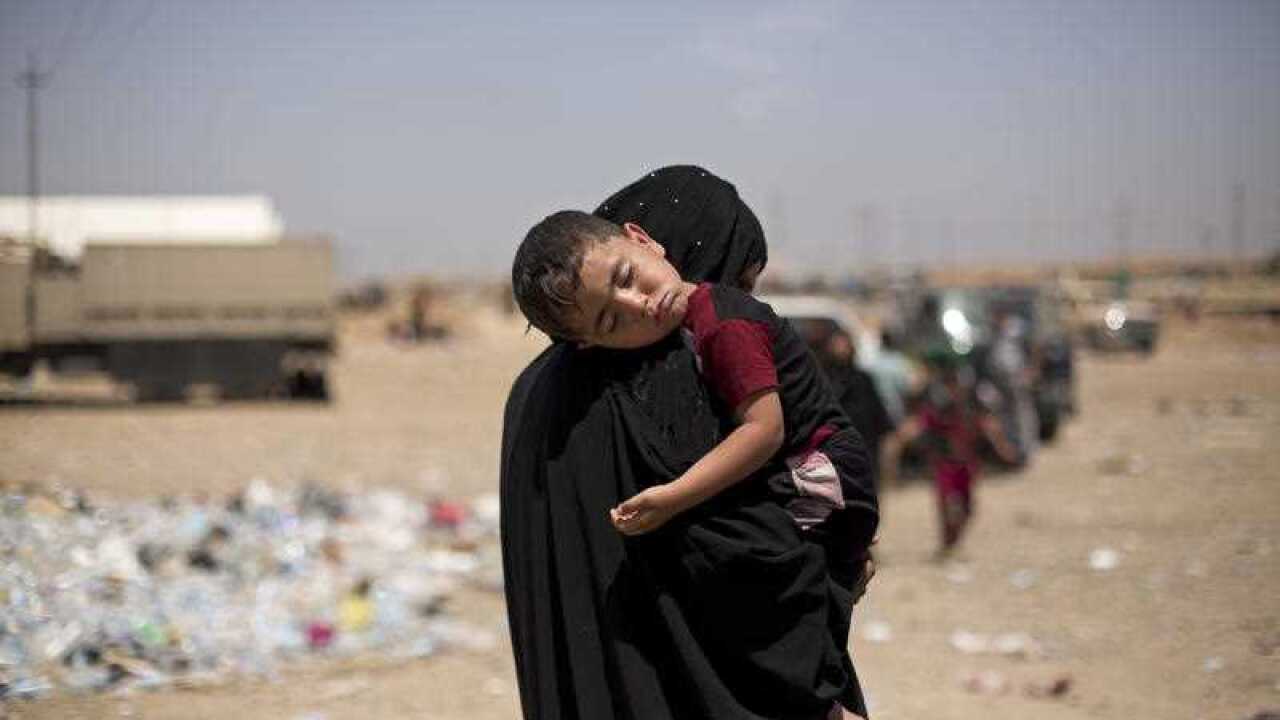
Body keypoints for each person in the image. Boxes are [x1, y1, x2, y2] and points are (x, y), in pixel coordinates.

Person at [502, 166, 875, 720]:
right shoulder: (660, 380)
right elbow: (743, 561)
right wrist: (830, 574)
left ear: (646, 239)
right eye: (737, 283)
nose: (736, 305)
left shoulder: (534, 387)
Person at [512, 210, 878, 554]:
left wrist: (672, 497)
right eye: (611, 322)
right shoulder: (694, 330)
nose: (638, 305)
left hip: (821, 474)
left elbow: (764, 431)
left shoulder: (724, 323)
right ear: (590, 345)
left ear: (642, 240)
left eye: (626, 277)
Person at [880, 348, 1017, 559]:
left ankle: (953, 540)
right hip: (943, 462)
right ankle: (947, 543)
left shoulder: (972, 402)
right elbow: (917, 424)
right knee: (944, 504)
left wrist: (1004, 449)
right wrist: (896, 445)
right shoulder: (937, 405)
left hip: (967, 464)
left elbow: (990, 425)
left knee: (968, 508)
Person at [817, 329, 895, 488]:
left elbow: (877, 410)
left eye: (844, 344)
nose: (841, 348)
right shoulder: (823, 378)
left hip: (865, 444)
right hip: (834, 447)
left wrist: (888, 437)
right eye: (837, 344)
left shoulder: (863, 378)